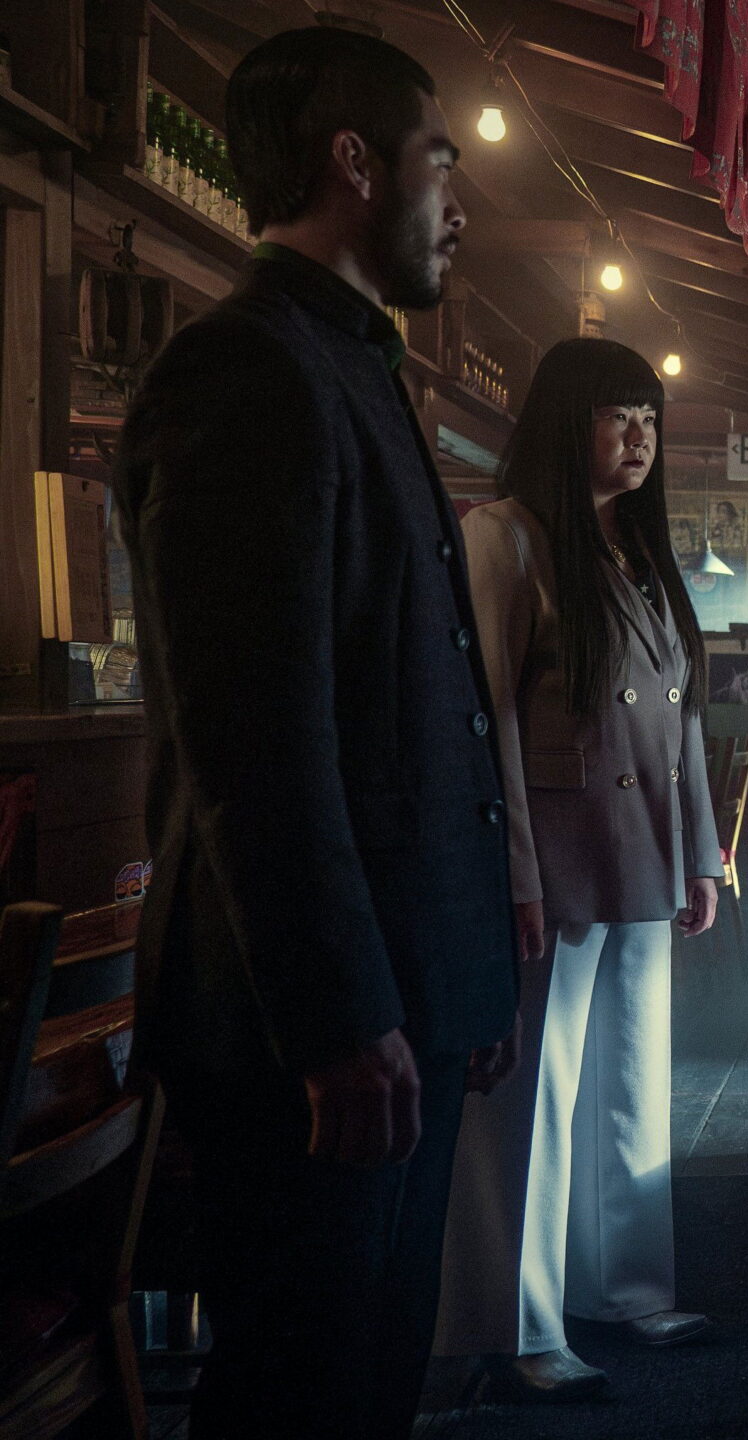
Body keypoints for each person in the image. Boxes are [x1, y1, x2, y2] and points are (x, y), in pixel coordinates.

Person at [114, 28, 513, 1438]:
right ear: (356, 163)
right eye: (440, 165)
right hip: (315, 1030)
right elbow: (257, 745)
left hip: (395, 996)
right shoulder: (247, 368)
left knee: (368, 1383)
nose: (456, 207)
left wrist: (456, 981)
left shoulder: (347, 363)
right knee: (304, 1395)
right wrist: (344, 1020)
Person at [435, 338, 723, 1399]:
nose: (639, 435)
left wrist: (702, 854)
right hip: (553, 859)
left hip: (645, 850)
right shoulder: (505, 535)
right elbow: (488, 722)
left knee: (632, 1080)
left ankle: (629, 1287)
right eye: (617, 414)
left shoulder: (638, 547)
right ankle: (518, 1323)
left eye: (649, 416)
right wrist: (513, 873)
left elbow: (683, 719)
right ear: (567, 420)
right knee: (534, 1095)